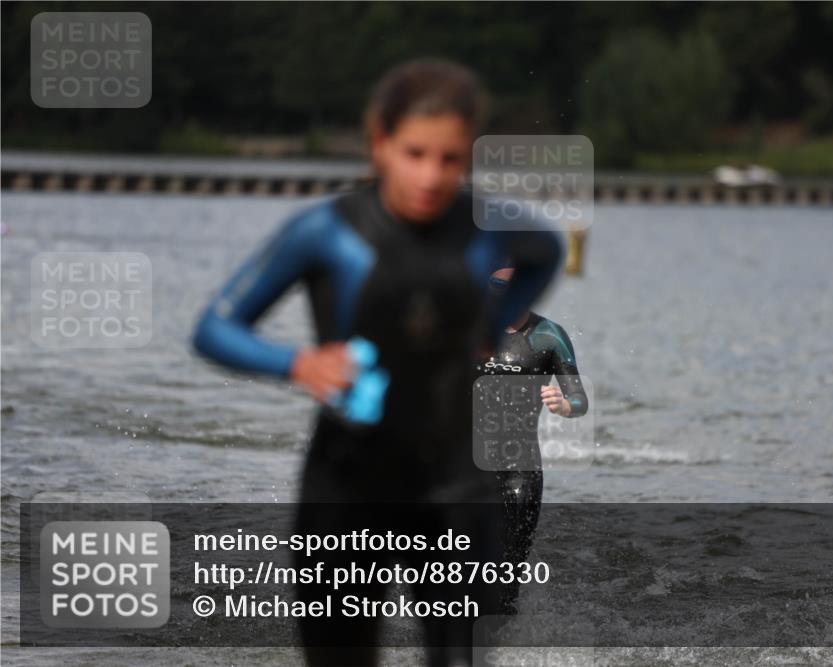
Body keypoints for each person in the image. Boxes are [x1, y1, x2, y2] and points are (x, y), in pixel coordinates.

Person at [192, 59, 564, 666]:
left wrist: (491, 326)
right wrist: (298, 363)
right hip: (345, 484)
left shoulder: (489, 231)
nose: (431, 176)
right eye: (414, 153)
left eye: (450, 159)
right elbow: (215, 327)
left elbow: (547, 251)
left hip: (453, 486)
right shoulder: (324, 233)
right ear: (379, 142)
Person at [476, 267, 589, 614]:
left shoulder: (549, 336)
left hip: (519, 471)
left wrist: (564, 404)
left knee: (507, 579)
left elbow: (580, 401)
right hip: (465, 471)